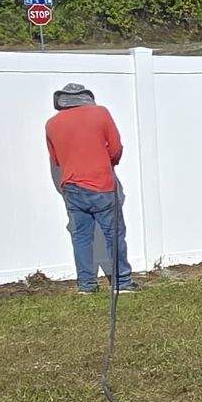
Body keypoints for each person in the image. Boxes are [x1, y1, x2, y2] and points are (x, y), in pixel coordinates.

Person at [44, 81, 133, 294]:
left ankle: (86, 285)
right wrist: (105, 162)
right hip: (101, 185)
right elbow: (116, 148)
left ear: (61, 101)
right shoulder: (100, 113)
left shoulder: (52, 124)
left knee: (81, 237)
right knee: (114, 235)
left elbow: (56, 160)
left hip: (72, 187)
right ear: (86, 97)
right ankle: (122, 282)